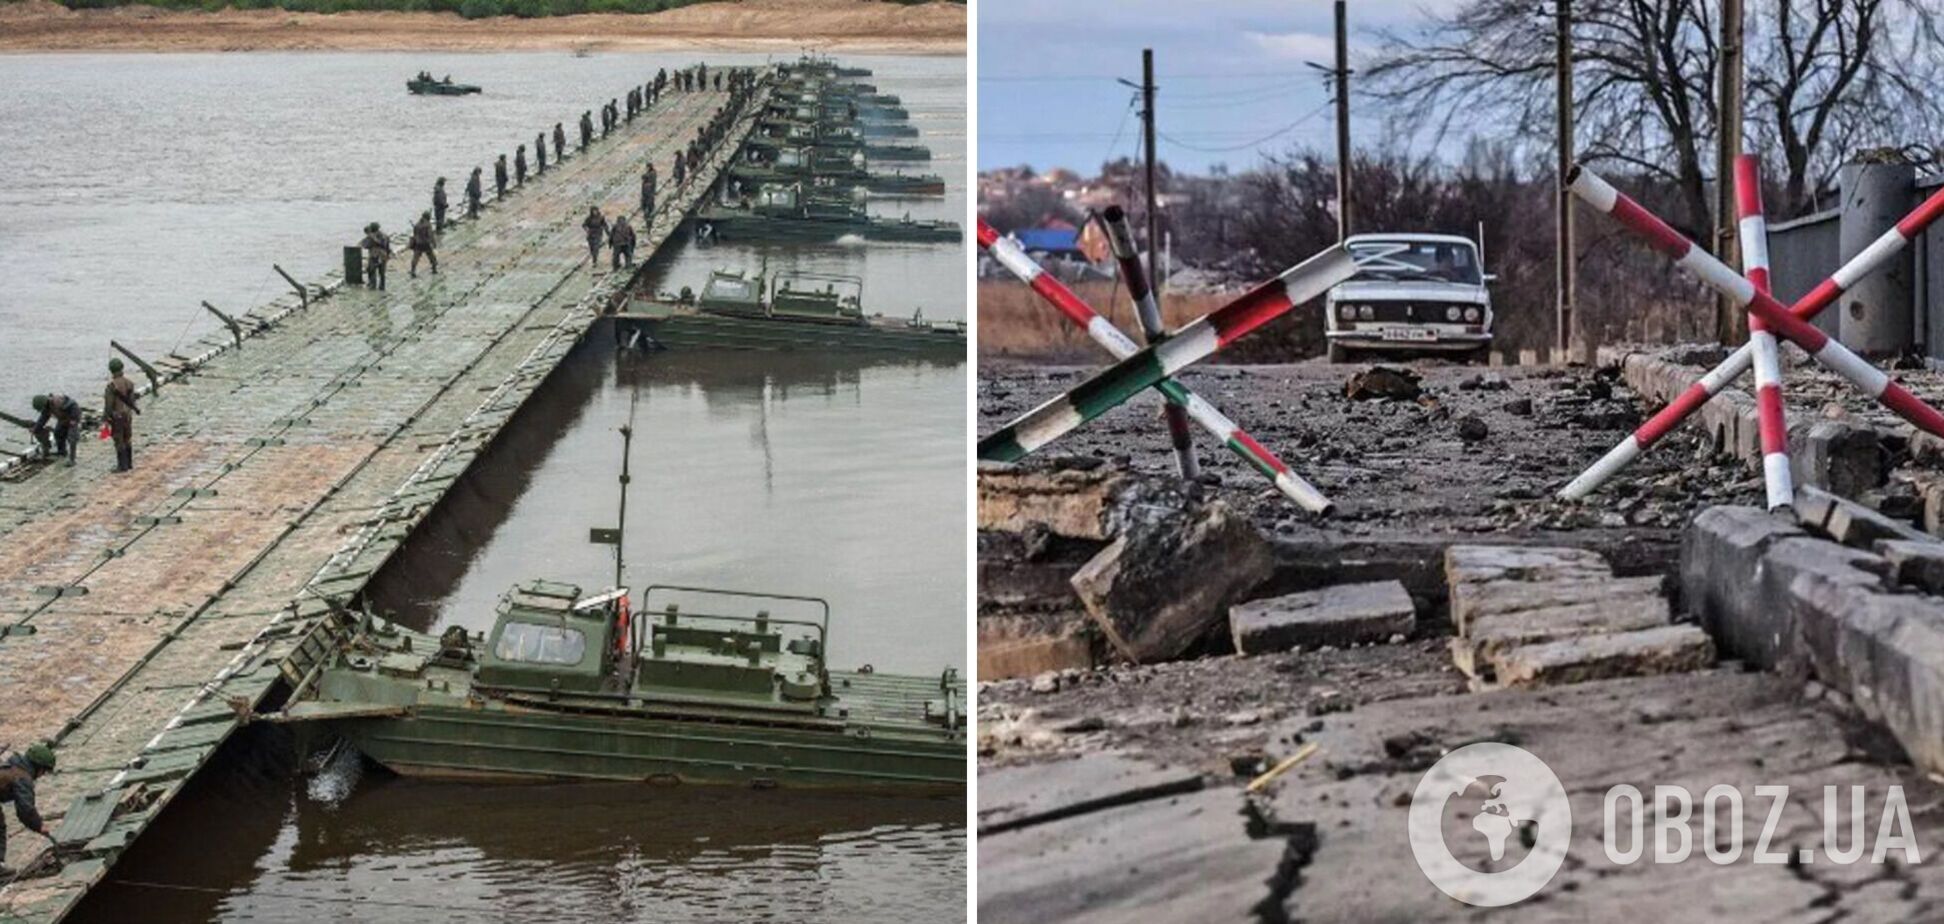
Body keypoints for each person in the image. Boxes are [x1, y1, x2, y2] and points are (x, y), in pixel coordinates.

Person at [0, 744, 55, 878]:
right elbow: (25, 809)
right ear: (39, 768)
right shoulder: (22, 777)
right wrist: (39, 825)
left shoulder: (12, 765)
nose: (42, 776)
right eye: (44, 771)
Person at [104, 358, 140, 473]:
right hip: (128, 415)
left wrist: (106, 417)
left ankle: (121, 466)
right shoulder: (129, 383)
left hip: (117, 416)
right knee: (127, 438)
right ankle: (129, 463)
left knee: (118, 440)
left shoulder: (111, 386)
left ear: (111, 370)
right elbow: (132, 400)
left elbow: (109, 405)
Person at [28, 394, 80, 467]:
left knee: (72, 438)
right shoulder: (47, 407)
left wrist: (74, 419)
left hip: (72, 419)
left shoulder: (58, 401)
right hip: (63, 420)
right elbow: (43, 419)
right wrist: (36, 429)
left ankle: (72, 459)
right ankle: (62, 452)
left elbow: (74, 406)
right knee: (58, 433)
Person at [361, 222, 391, 290]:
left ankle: (373, 286)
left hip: (374, 256)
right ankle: (382, 287)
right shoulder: (385, 236)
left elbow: (366, 245)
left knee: (372, 271)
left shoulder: (371, 237)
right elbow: (387, 247)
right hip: (383, 256)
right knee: (382, 273)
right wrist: (388, 255)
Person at [409, 211, 438, 278]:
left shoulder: (417, 224)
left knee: (415, 258)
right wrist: (434, 244)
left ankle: (413, 271)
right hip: (426, 244)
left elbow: (415, 235)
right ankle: (434, 269)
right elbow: (430, 235)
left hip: (418, 244)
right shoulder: (428, 225)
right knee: (432, 257)